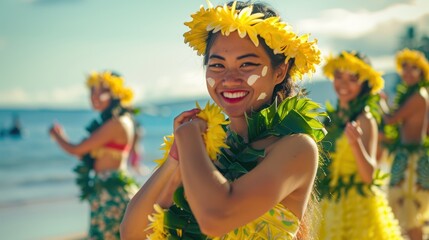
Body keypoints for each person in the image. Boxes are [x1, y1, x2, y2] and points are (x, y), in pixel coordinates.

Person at [120, 1, 326, 239]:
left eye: (246, 64)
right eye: (217, 65)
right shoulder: (205, 147)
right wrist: (174, 159)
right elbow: (132, 233)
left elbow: (217, 218)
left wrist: (187, 137)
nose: (229, 79)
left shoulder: (296, 148)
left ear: (279, 72)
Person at [315, 51, 403, 239]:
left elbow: (368, 176)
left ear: (364, 83)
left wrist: (355, 144)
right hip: (329, 203)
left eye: (352, 78)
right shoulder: (329, 120)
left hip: (358, 207)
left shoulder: (365, 120)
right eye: (339, 77)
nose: (344, 84)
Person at [49, 71, 139, 239]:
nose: (95, 96)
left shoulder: (116, 123)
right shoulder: (118, 121)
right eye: (92, 91)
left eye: (101, 91)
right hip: (107, 191)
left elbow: (77, 149)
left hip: (111, 194)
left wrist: (57, 135)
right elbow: (85, 153)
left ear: (116, 94)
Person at [383, 48, 429, 240]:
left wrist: (380, 102)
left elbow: (390, 120)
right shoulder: (415, 95)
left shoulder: (419, 96)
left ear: (422, 73)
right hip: (405, 157)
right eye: (404, 67)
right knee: (402, 212)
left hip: (412, 162)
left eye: (414, 68)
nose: (408, 72)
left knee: (411, 213)